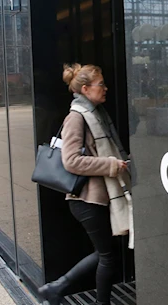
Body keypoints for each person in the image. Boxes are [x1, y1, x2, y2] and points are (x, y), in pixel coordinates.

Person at [38, 63, 132, 305]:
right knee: (107, 255)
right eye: (101, 85)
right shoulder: (76, 118)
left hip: (98, 197)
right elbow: (71, 161)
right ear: (86, 88)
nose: (105, 88)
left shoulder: (97, 114)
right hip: (86, 200)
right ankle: (62, 289)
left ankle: (57, 288)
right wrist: (110, 164)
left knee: (107, 253)